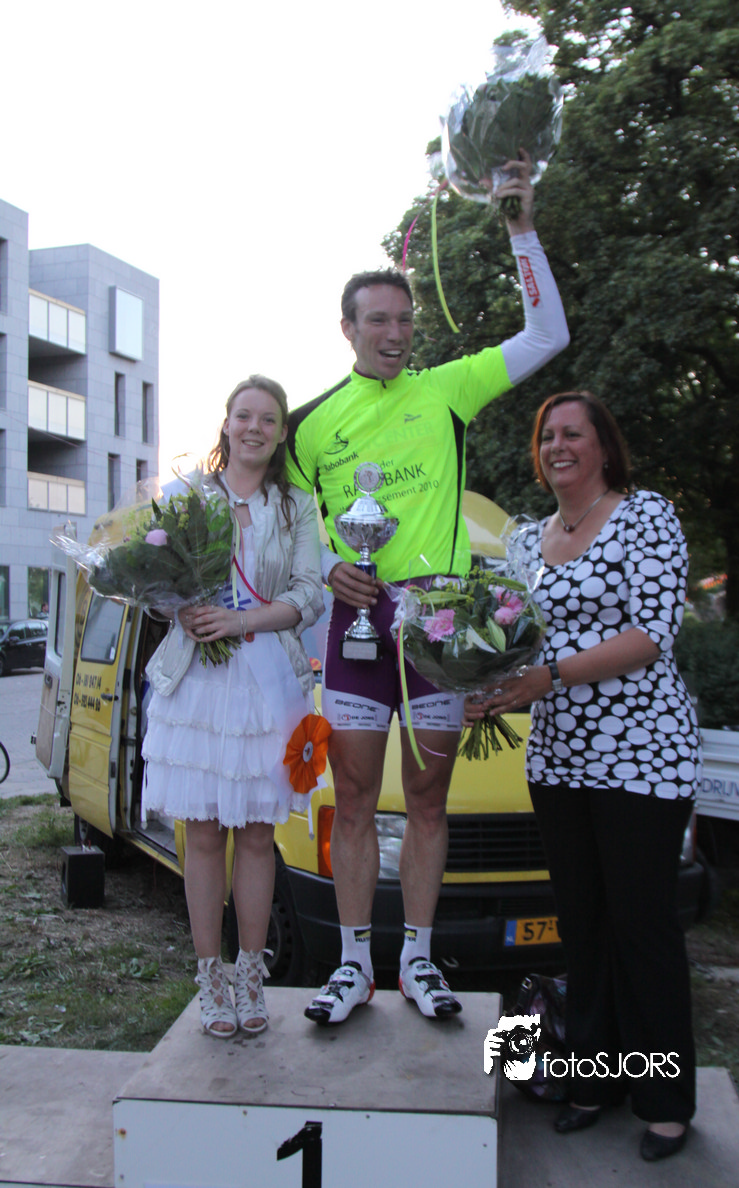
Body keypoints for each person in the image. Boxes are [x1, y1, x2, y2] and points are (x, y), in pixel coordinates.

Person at [285, 151, 569, 1026]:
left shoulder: (446, 390)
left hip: (440, 631)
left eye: (405, 320)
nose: (396, 333)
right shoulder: (311, 425)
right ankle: (352, 967)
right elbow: (287, 527)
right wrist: (323, 565)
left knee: (430, 801)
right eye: (378, 320)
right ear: (347, 328)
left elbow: (546, 335)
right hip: (354, 630)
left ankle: (417, 961)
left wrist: (520, 225)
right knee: (355, 800)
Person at [464, 390, 700, 1162]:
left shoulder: (645, 516)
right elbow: (514, 640)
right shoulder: (526, 541)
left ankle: (665, 1103)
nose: (558, 445)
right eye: (548, 436)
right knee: (584, 928)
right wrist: (486, 686)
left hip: (642, 756)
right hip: (560, 757)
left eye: (574, 433)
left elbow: (651, 634)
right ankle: (593, 1083)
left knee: (642, 928)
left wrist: (550, 677)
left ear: (604, 446)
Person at [142, 376, 324, 1038]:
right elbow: (151, 587)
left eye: (268, 419)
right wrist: (182, 611)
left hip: (267, 684)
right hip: (199, 685)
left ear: (281, 433)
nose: (254, 428)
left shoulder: (295, 506)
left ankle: (251, 976)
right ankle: (209, 977)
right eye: (244, 416)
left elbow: (309, 594)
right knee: (203, 835)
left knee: (254, 834)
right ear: (225, 423)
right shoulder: (188, 496)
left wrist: (242, 621)